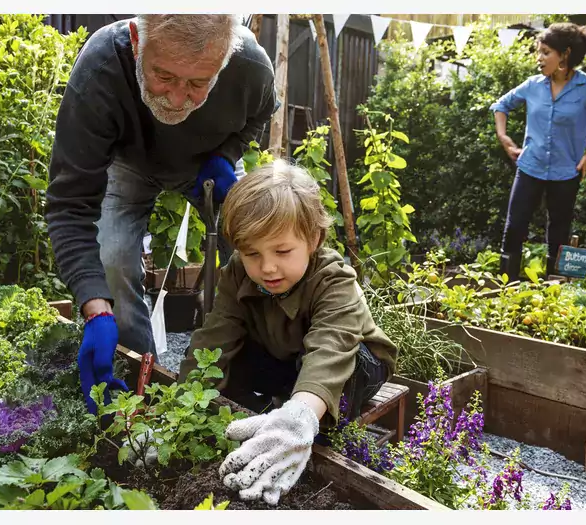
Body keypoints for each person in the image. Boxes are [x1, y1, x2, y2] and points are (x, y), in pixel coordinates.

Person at [44, 15, 278, 413]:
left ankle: (259, 370)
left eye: (197, 84)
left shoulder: (250, 66)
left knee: (259, 247)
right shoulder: (101, 68)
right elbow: (70, 205)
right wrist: (95, 306)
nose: (175, 98)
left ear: (224, 60)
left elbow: (259, 115)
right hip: (128, 164)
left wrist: (225, 157)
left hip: (207, 163)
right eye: (163, 76)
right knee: (112, 263)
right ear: (137, 40)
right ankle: (140, 386)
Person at [177, 159, 398, 505]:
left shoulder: (334, 279)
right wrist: (178, 411)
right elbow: (214, 338)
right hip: (285, 355)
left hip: (353, 362)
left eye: (282, 251)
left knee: (341, 370)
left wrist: (301, 417)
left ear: (313, 239)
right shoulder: (238, 274)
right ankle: (260, 422)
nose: (266, 267)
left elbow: (331, 347)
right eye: (251, 253)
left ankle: (303, 429)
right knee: (227, 359)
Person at [491, 22, 586, 279]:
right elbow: (501, 105)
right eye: (539, 51)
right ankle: (505, 293)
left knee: (558, 236)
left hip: (566, 172)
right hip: (530, 166)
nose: (539, 58)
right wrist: (504, 137)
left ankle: (554, 300)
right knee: (513, 230)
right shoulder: (533, 85)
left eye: (545, 52)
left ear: (564, 55)